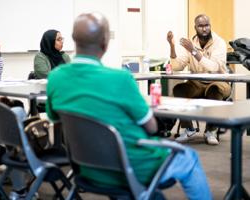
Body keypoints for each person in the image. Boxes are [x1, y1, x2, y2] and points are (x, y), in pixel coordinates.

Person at [46, 12, 212, 200]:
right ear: (105, 41)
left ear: (74, 39)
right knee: (188, 157)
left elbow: (59, 122)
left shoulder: (55, 78)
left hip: (87, 168)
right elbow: (151, 127)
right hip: (131, 165)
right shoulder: (121, 79)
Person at [167, 14, 231, 145]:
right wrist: (172, 46)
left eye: (207, 25)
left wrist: (194, 52)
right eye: (201, 26)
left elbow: (213, 67)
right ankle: (189, 129)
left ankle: (210, 131)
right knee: (178, 90)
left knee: (215, 89)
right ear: (195, 27)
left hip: (219, 80)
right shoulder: (190, 43)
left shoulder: (219, 42)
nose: (204, 29)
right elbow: (177, 67)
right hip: (197, 82)